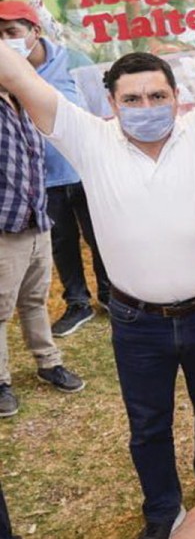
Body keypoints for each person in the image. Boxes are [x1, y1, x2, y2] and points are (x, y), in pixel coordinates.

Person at [0, 0, 195, 539]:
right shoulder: (87, 137)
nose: (145, 104)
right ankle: (161, 506)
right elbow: (17, 74)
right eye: (133, 98)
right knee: (148, 422)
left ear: (177, 98)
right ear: (111, 101)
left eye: (157, 95)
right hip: (135, 321)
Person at [0, 0, 112, 337]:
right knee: (63, 242)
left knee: (101, 237)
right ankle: (77, 302)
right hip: (40, 181)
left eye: (11, 32)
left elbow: (101, 111)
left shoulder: (74, 62)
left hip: (85, 172)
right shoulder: (6, 73)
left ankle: (111, 296)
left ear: (35, 31)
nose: (6, 41)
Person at [0, 52, 85, 420]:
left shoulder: (25, 102)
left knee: (34, 299)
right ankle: (1, 383)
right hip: (4, 226)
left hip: (36, 219)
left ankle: (48, 362)